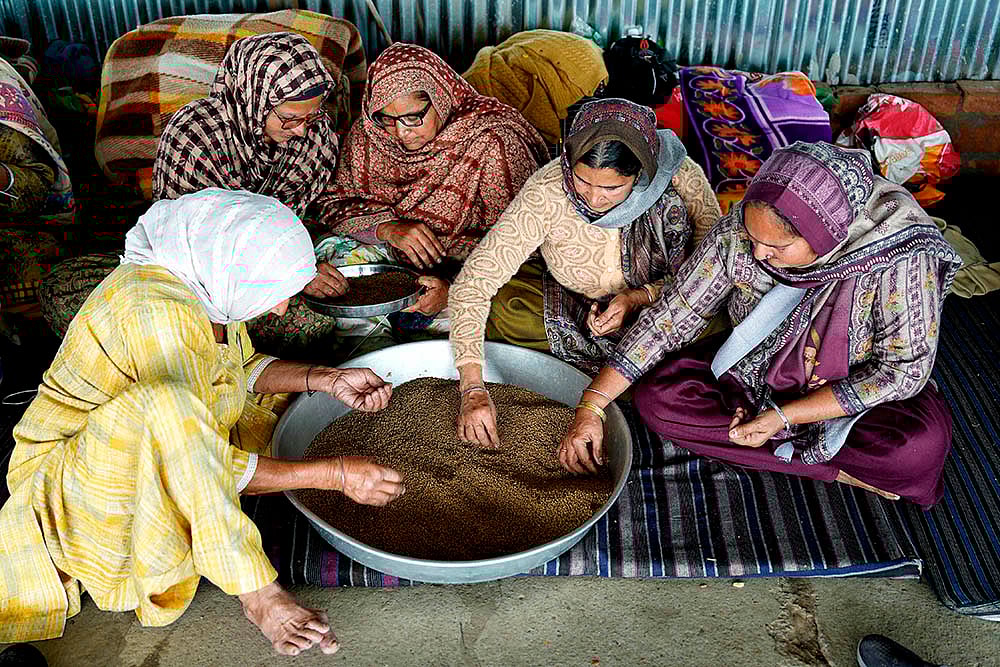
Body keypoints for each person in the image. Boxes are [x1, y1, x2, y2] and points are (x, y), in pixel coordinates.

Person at [0, 189, 405, 655]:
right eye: (272, 295)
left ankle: (234, 530)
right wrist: (333, 474)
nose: (277, 310)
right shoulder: (154, 314)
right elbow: (190, 447)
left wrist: (325, 379)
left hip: (159, 439)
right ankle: (260, 598)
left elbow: (236, 367)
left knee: (256, 409)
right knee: (173, 410)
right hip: (71, 488)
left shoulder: (202, 283)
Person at [556, 142, 962, 508]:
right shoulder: (744, 230)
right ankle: (830, 469)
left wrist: (782, 418)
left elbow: (902, 373)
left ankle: (791, 450)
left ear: (827, 235)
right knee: (658, 401)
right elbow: (670, 319)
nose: (759, 253)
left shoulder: (898, 254)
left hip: (847, 392)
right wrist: (592, 405)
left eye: (778, 247)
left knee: (914, 451)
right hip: (752, 372)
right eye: (753, 238)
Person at [40, 33, 349, 352]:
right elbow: (196, 249)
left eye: (309, 116)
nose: (301, 130)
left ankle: (209, 350)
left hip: (271, 278)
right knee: (66, 290)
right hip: (193, 277)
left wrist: (302, 264)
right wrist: (295, 276)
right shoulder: (195, 137)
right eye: (289, 118)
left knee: (320, 320)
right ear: (253, 98)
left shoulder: (313, 132)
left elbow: (309, 211)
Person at [449, 98, 721, 447]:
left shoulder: (679, 176)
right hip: (577, 306)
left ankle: (610, 375)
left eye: (611, 188)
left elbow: (710, 269)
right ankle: (630, 376)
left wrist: (638, 298)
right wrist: (472, 388)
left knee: (719, 318)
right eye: (581, 180)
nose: (593, 198)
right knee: (507, 308)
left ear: (640, 173)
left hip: (666, 302)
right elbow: (474, 283)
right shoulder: (548, 190)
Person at [314, 43, 550, 322]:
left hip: (473, 270)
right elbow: (334, 201)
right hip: (390, 258)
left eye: (413, 117)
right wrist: (387, 228)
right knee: (335, 272)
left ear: (440, 96)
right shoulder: (370, 133)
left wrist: (453, 289)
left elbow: (523, 243)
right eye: (388, 119)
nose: (401, 132)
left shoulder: (492, 140)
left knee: (498, 315)